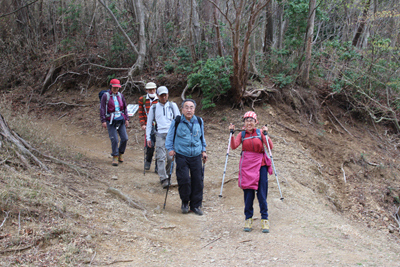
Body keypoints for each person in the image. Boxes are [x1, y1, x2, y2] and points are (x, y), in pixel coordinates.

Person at [228, 111, 273, 233]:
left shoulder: (259, 133)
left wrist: (266, 134)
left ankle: (265, 219)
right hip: (247, 166)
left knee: (262, 192)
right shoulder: (242, 134)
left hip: (261, 165)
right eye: (247, 120)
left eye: (251, 120)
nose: (249, 122)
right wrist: (231, 134)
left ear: (255, 122)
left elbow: (270, 147)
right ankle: (248, 218)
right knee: (248, 193)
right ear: (244, 122)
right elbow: (234, 146)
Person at [165, 99, 207, 216]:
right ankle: (184, 202)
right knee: (184, 179)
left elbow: (201, 137)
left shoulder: (199, 121)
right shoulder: (177, 121)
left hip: (196, 155)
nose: (189, 110)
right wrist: (170, 149)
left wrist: (204, 150)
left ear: (194, 109)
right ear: (182, 109)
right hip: (182, 155)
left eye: (191, 107)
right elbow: (170, 136)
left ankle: (195, 205)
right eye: (186, 107)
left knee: (198, 180)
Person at [146, 86, 180, 188]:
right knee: (160, 157)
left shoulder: (172, 106)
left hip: (171, 135)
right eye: (161, 95)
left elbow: (178, 120)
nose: (164, 97)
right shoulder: (154, 107)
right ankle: (163, 178)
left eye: (165, 95)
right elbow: (149, 123)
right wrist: (148, 137)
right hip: (160, 135)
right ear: (158, 96)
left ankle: (168, 174)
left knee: (170, 158)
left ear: (168, 94)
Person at [100, 78, 129, 166]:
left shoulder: (120, 95)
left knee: (125, 138)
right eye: (114, 87)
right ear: (111, 87)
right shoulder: (106, 96)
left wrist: (126, 119)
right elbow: (102, 108)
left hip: (120, 119)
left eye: (117, 88)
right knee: (115, 139)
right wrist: (103, 120)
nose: (116, 89)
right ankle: (115, 156)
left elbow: (124, 107)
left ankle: (120, 153)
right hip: (110, 120)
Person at [139, 82, 159, 172]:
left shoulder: (159, 99)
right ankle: (148, 160)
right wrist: (143, 124)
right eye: (150, 90)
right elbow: (141, 112)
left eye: (153, 89)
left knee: (159, 145)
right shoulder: (142, 99)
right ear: (146, 90)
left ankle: (158, 165)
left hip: (159, 125)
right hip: (148, 125)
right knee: (150, 145)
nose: (152, 91)